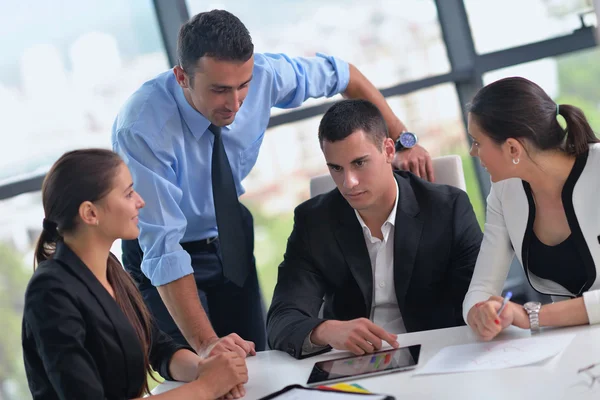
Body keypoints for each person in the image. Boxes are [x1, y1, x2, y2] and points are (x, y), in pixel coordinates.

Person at [112, 9, 434, 359]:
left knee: (253, 358)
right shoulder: (143, 127)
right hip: (164, 253)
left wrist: (402, 137)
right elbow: (164, 247)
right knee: (196, 368)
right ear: (182, 77)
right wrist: (207, 345)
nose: (235, 103)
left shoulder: (266, 73)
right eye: (219, 90)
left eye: (243, 86)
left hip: (229, 234)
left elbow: (345, 75)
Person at [21, 149, 248, 400]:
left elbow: (158, 347)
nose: (140, 201)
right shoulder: (50, 292)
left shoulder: (110, 268)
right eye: (129, 193)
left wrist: (206, 370)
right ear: (90, 213)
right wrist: (206, 387)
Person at [266, 99, 482, 359]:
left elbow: (479, 298)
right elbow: (281, 318)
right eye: (336, 168)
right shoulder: (314, 222)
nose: (349, 183)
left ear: (389, 150)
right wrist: (326, 330)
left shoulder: (448, 209)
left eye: (359, 163)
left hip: (438, 356)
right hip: (355, 364)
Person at [463, 77, 600, 341]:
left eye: (477, 142)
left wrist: (531, 316)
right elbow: (480, 287)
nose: (472, 152)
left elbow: (528, 318)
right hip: (567, 346)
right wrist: (480, 313)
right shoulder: (504, 193)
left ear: (513, 147)